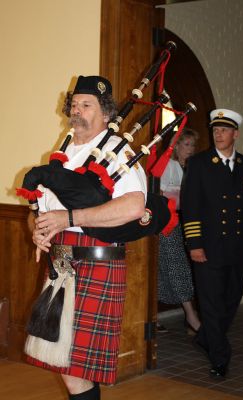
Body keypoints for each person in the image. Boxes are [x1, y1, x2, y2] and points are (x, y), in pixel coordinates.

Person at [27, 75, 147, 400]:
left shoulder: (116, 152)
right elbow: (40, 206)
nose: (77, 110)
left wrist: (69, 218)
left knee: (74, 370)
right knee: (66, 367)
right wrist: (38, 229)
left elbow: (134, 206)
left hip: (96, 263)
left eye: (87, 105)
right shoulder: (63, 149)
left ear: (106, 114)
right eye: (75, 104)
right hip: (62, 265)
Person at [181, 108, 243, 378]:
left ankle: (206, 336)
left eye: (224, 130)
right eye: (215, 130)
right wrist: (194, 244)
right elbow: (190, 207)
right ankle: (219, 357)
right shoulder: (199, 163)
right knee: (211, 304)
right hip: (208, 247)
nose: (218, 134)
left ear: (235, 134)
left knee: (231, 300)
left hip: (239, 248)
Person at [157, 128, 201, 334]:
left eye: (192, 145)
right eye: (186, 144)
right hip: (169, 223)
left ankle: (153, 316)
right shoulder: (169, 166)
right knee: (175, 266)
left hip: (188, 223)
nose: (190, 149)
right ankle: (191, 316)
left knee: (179, 267)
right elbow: (160, 196)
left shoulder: (193, 168)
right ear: (176, 146)